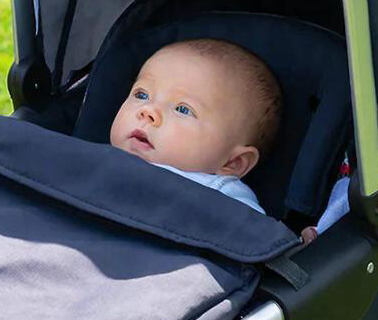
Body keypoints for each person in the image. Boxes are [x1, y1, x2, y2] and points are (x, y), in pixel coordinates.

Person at [109, 38, 281, 216]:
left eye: (183, 109)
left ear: (233, 162)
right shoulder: (96, 159)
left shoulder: (222, 198)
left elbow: (255, 232)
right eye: (141, 95)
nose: (147, 111)